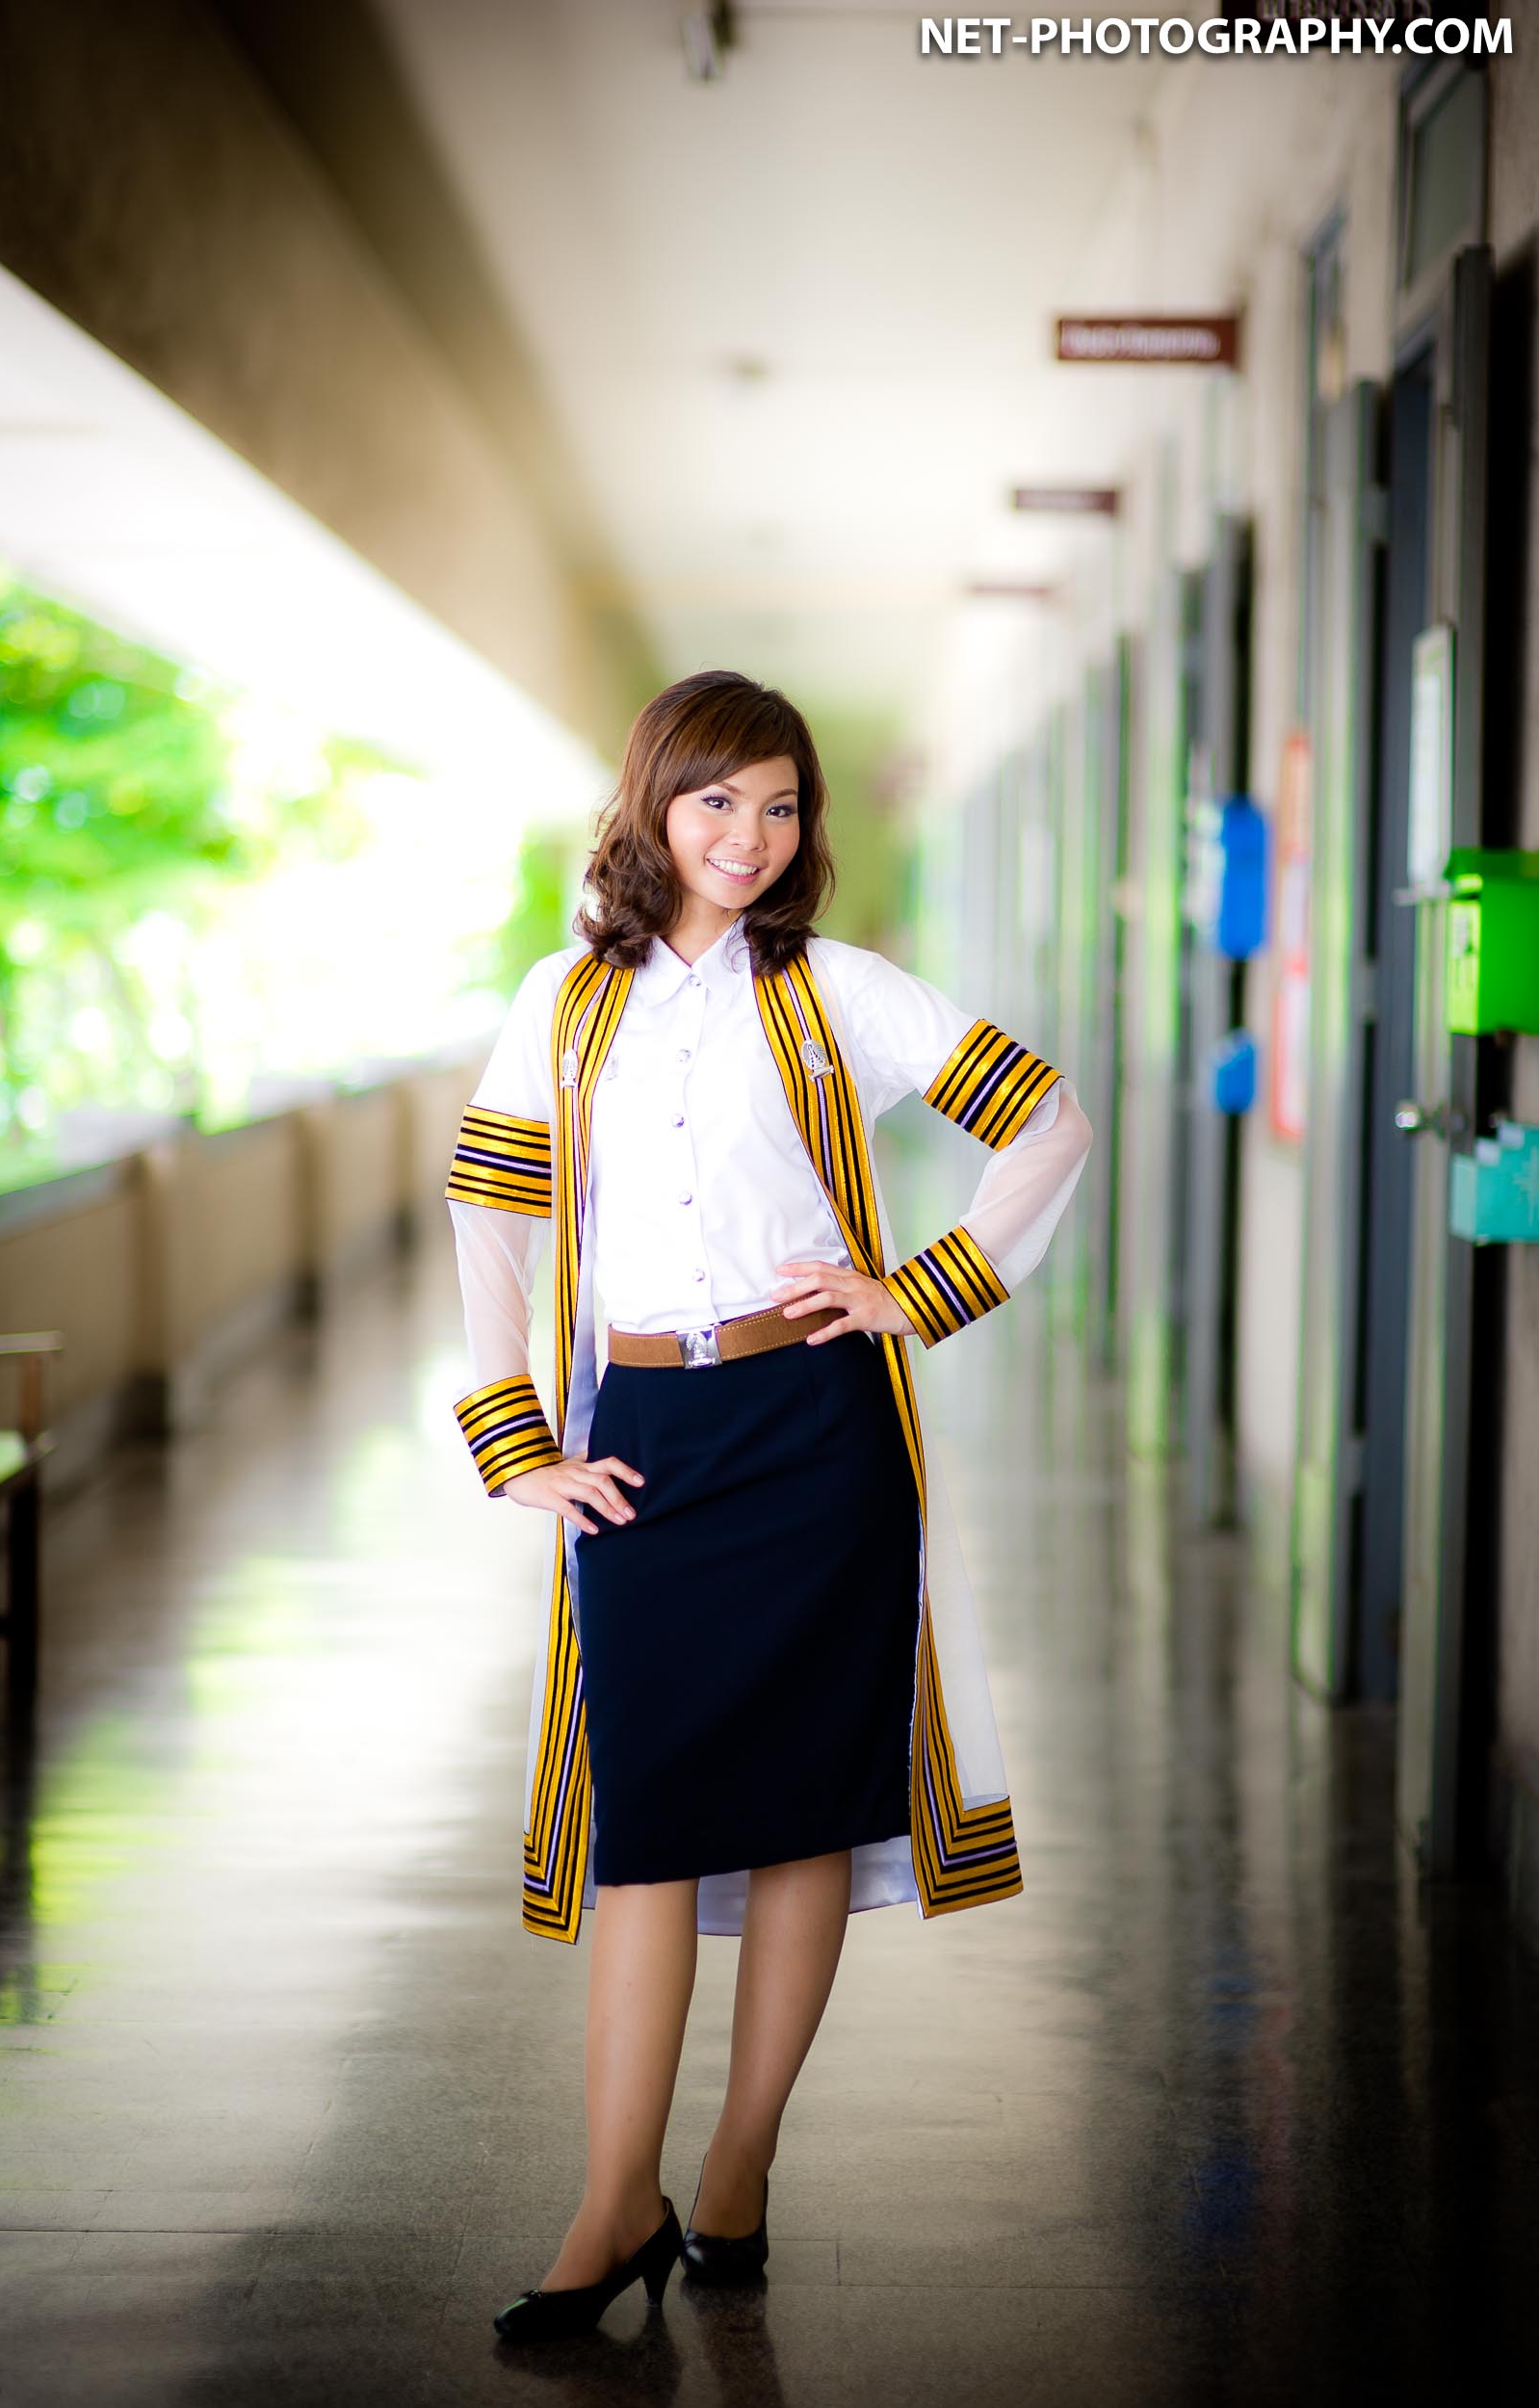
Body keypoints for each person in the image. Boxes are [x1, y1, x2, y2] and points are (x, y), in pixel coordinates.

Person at [445, 668, 1093, 2343]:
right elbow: (492, 1220)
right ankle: (616, 2199)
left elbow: (1048, 1118)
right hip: (645, 1434)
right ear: (653, 806)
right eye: (717, 799)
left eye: (782, 805)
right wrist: (517, 1438)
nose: (751, 835)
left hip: (815, 1429)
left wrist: (918, 1288)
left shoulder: (834, 991)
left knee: (806, 1808)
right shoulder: (563, 1000)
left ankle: (735, 2166)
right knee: (647, 1819)